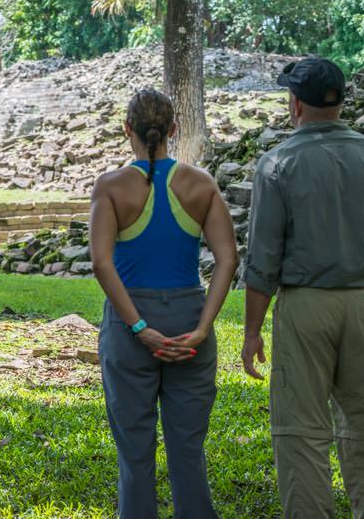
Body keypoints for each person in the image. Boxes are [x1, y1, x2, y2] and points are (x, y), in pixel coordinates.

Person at [241, 56, 364, 518]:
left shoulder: (277, 163)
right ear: (341, 101)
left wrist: (252, 331)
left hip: (304, 306)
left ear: (295, 104)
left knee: (301, 432)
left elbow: (263, 261)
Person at [91, 88, 238, 518]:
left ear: (127, 130)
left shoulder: (111, 186)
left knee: (135, 449)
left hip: (129, 324)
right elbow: (228, 259)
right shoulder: (201, 183)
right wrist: (205, 326)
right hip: (190, 320)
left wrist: (139, 328)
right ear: (174, 129)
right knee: (188, 446)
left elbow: (102, 263)